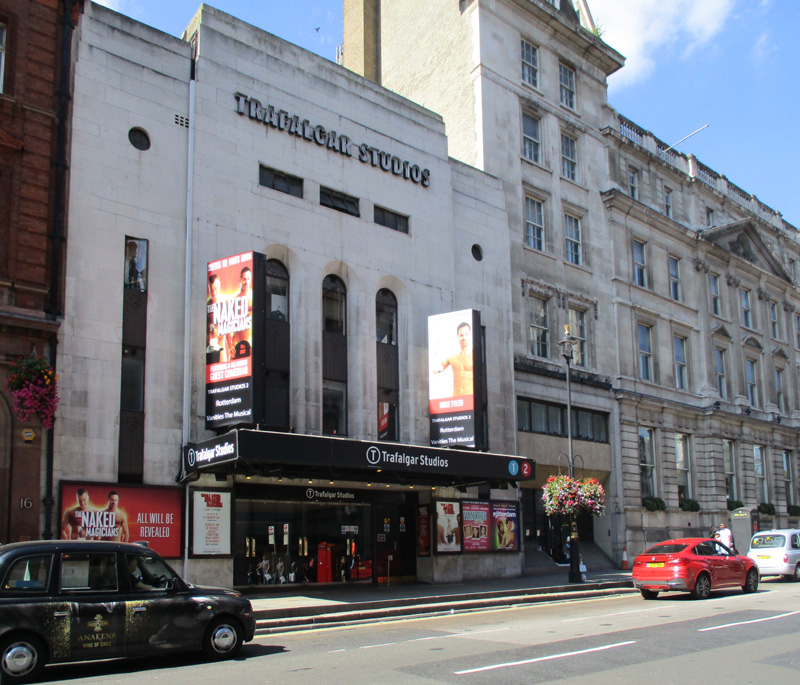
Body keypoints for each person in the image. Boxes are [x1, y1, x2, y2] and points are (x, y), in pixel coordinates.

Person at [435, 321, 474, 396]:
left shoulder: (475, 356)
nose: (464, 338)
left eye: (466, 334)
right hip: (456, 399)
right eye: (461, 335)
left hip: (471, 399)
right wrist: (436, 349)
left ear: (470, 335)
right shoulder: (452, 358)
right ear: (458, 337)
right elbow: (437, 369)